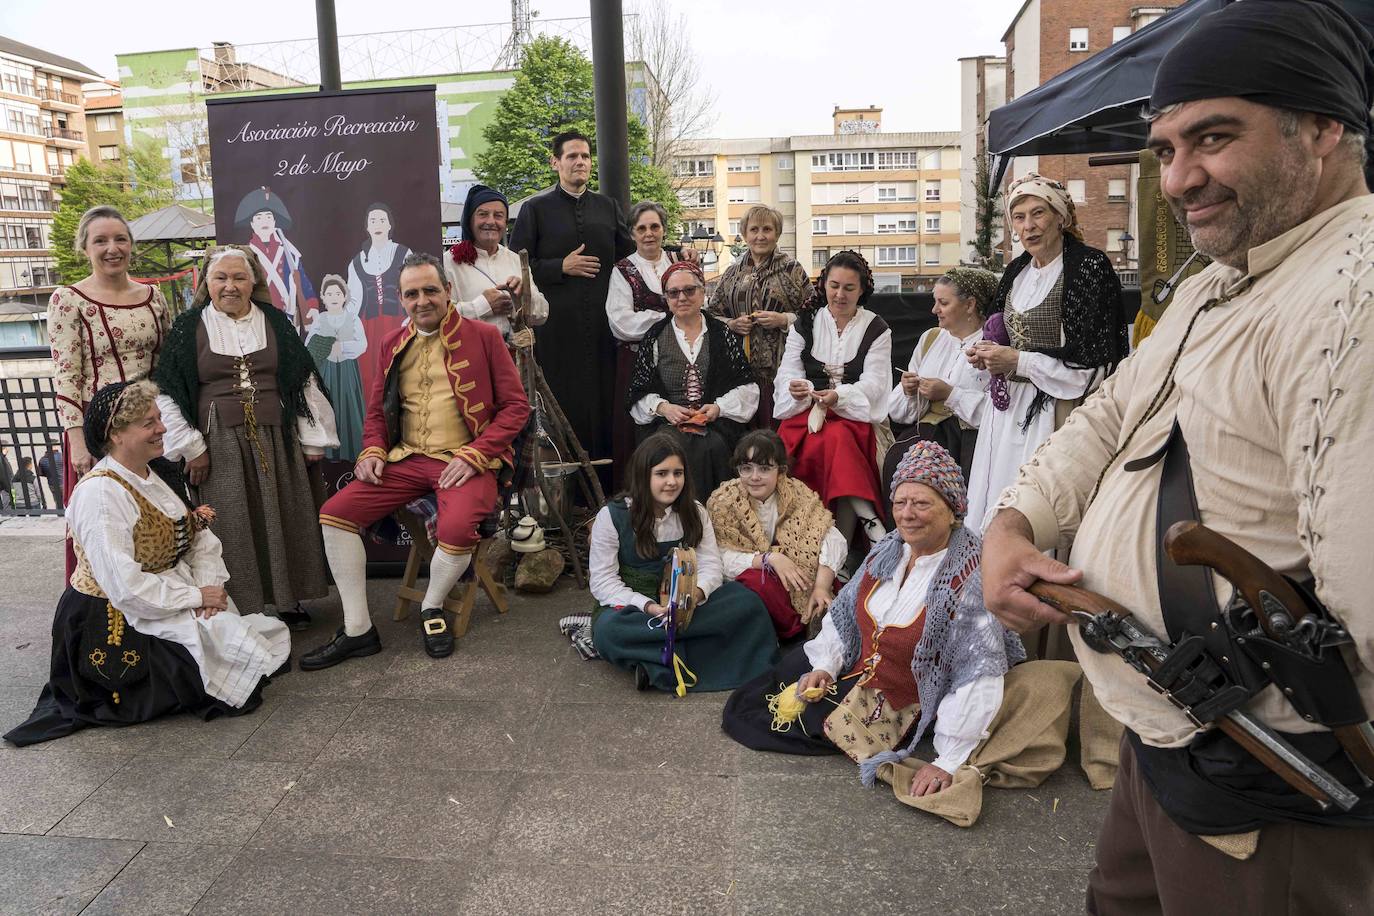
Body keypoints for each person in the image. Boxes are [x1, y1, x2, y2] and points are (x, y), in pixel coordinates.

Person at [981, 1, 1374, 911]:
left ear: (1322, 126)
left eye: (1214, 138)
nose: (1180, 178)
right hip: (1162, 732)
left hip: (1271, 788)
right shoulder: (1217, 279)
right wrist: (1017, 519)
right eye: (1164, 150)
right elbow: (1114, 408)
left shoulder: (1353, 297)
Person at [721, 443, 1025, 794]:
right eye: (900, 503)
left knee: (787, 721)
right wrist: (826, 666)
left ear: (953, 509)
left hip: (901, 695)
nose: (907, 514)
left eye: (922, 503)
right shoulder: (890, 547)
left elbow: (978, 673)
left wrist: (948, 760)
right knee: (782, 676)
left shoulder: (970, 577)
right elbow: (846, 613)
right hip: (861, 664)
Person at [3, 380, 288, 747]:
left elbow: (197, 537)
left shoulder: (152, 474)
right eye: (148, 423)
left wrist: (205, 589)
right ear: (116, 435)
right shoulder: (100, 494)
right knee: (219, 678)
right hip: (113, 613)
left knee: (239, 649)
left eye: (159, 419)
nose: (163, 428)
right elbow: (123, 586)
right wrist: (195, 595)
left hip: (165, 591)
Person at [303, 253, 530, 668]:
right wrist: (372, 450)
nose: (422, 300)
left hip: (466, 460)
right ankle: (358, 630)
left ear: (448, 291)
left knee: (458, 528)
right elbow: (376, 412)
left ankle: (431, 607)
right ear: (400, 299)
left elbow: (516, 408)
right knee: (334, 514)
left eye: (430, 290)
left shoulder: (483, 336)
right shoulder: (392, 342)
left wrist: (478, 453)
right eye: (412, 293)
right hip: (407, 459)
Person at [153, 246, 336, 633]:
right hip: (217, 441)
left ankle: (288, 602)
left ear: (253, 282)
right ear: (207, 283)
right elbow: (167, 393)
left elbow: (302, 379)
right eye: (221, 278)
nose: (230, 286)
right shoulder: (189, 327)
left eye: (239, 277)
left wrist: (312, 439)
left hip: (276, 435)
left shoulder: (274, 321)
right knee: (231, 524)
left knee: (284, 516)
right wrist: (192, 448)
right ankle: (242, 606)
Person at [962, 174, 1128, 533]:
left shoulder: (1088, 268)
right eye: (1019, 217)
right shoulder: (1017, 271)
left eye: (1038, 213)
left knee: (1038, 504)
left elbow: (1092, 365)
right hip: (1007, 414)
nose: (1028, 226)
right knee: (996, 495)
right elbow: (1001, 330)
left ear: (1061, 217)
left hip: (1056, 408)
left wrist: (1018, 361)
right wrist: (985, 352)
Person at [589, 432, 778, 692]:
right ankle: (697, 657)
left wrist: (693, 597)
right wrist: (650, 608)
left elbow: (712, 564)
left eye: (678, 473)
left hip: (688, 605)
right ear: (644, 475)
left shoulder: (695, 512)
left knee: (749, 604)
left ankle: (655, 663)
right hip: (637, 609)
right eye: (662, 473)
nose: (671, 482)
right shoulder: (611, 517)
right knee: (609, 632)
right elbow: (603, 581)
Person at [48, 205, 171, 573]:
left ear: (131, 245)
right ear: (85, 248)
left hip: (151, 428)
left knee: (155, 521)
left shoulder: (154, 296)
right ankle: (102, 618)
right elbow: (66, 374)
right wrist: (77, 442)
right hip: (101, 435)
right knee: (107, 526)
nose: (111, 248)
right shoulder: (68, 300)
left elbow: (166, 366)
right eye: (100, 240)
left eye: (120, 238)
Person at [509, 130, 635, 478]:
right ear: (555, 163)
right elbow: (515, 264)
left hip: (603, 329)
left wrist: (673, 257)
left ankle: (608, 487)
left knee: (605, 405)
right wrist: (559, 267)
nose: (580, 162)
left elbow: (632, 259)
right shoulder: (534, 209)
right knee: (564, 406)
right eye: (572, 156)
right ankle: (568, 493)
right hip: (557, 332)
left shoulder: (607, 207)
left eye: (585, 156)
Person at [774, 250, 892, 559]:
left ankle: (838, 549)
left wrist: (839, 397)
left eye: (849, 288)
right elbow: (788, 370)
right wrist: (801, 388)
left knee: (839, 437)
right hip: (806, 414)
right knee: (823, 441)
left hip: (855, 417)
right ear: (824, 284)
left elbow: (876, 384)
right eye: (834, 285)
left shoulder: (877, 329)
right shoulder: (805, 322)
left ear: (862, 289)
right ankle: (865, 523)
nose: (840, 294)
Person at [626, 260, 758, 499]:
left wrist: (718, 408)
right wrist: (664, 407)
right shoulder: (655, 336)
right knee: (668, 448)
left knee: (714, 447)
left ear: (702, 291)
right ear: (666, 298)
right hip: (667, 425)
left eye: (689, 290)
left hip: (715, 425)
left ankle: (716, 519)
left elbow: (746, 386)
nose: (682, 297)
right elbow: (638, 392)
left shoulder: (721, 333)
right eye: (673, 293)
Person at [706, 430, 846, 641]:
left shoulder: (797, 494)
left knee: (822, 576)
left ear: (781, 471)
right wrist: (769, 559)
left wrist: (821, 586)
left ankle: (820, 613)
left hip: (797, 571)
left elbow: (831, 536)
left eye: (764, 468)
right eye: (746, 468)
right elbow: (718, 557)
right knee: (757, 584)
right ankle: (796, 629)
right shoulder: (723, 502)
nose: (754, 477)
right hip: (757, 572)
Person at [885, 266, 997, 491]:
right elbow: (898, 413)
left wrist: (950, 394)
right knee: (898, 467)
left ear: (970, 305)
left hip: (969, 444)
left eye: (943, 303)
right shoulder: (931, 338)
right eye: (935, 301)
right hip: (924, 435)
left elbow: (999, 412)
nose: (935, 309)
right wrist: (908, 391)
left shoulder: (993, 346)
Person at [708, 204, 814, 426]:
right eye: (754, 229)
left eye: (767, 229)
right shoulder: (732, 273)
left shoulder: (792, 269)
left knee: (775, 431)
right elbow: (711, 314)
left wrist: (784, 320)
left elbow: (815, 312)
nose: (760, 236)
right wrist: (732, 324)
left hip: (780, 369)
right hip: (741, 371)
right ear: (745, 233)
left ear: (777, 234)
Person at [607, 200, 685, 480]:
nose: (649, 233)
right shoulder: (623, 270)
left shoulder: (679, 263)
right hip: (637, 360)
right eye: (642, 228)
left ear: (663, 230)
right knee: (638, 428)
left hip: (679, 358)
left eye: (655, 226)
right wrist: (667, 318)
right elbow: (620, 323)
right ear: (632, 234)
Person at [444, 184, 548, 341]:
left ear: (505, 223)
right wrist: (483, 305)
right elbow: (440, 318)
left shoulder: (516, 260)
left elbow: (542, 315)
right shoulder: (449, 262)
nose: (491, 221)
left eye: (498, 215)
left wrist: (524, 296)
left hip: (514, 357)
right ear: (469, 221)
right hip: (469, 357)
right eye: (483, 214)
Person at [347, 202, 413, 386]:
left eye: (382, 220)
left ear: (389, 225)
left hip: (400, 324)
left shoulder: (403, 253)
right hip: (369, 329)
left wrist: (411, 318)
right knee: (372, 380)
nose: (377, 225)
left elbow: (415, 290)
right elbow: (354, 301)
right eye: (373, 220)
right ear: (367, 227)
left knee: (403, 376)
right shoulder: (357, 262)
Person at [235, 187, 317, 332]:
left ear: (274, 221)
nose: (264, 221)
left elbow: (303, 283)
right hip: (257, 319)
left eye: (268, 217)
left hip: (289, 319)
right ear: (252, 224)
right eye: (259, 218)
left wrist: (311, 306)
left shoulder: (290, 252)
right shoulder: (245, 254)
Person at [304, 274, 366, 462]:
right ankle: (331, 452)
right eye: (329, 294)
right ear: (323, 297)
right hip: (326, 370)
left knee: (349, 405)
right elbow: (309, 346)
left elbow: (362, 344)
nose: (334, 297)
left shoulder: (353, 318)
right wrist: (326, 347)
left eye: (337, 293)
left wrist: (345, 348)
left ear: (344, 296)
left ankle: (353, 450)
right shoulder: (320, 320)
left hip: (347, 370)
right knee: (328, 406)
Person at [38, 442, 64, 510]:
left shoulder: (42, 459)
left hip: (52, 484)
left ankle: (60, 516)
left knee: (57, 502)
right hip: (64, 483)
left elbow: (41, 473)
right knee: (69, 501)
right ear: (55, 446)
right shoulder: (62, 456)